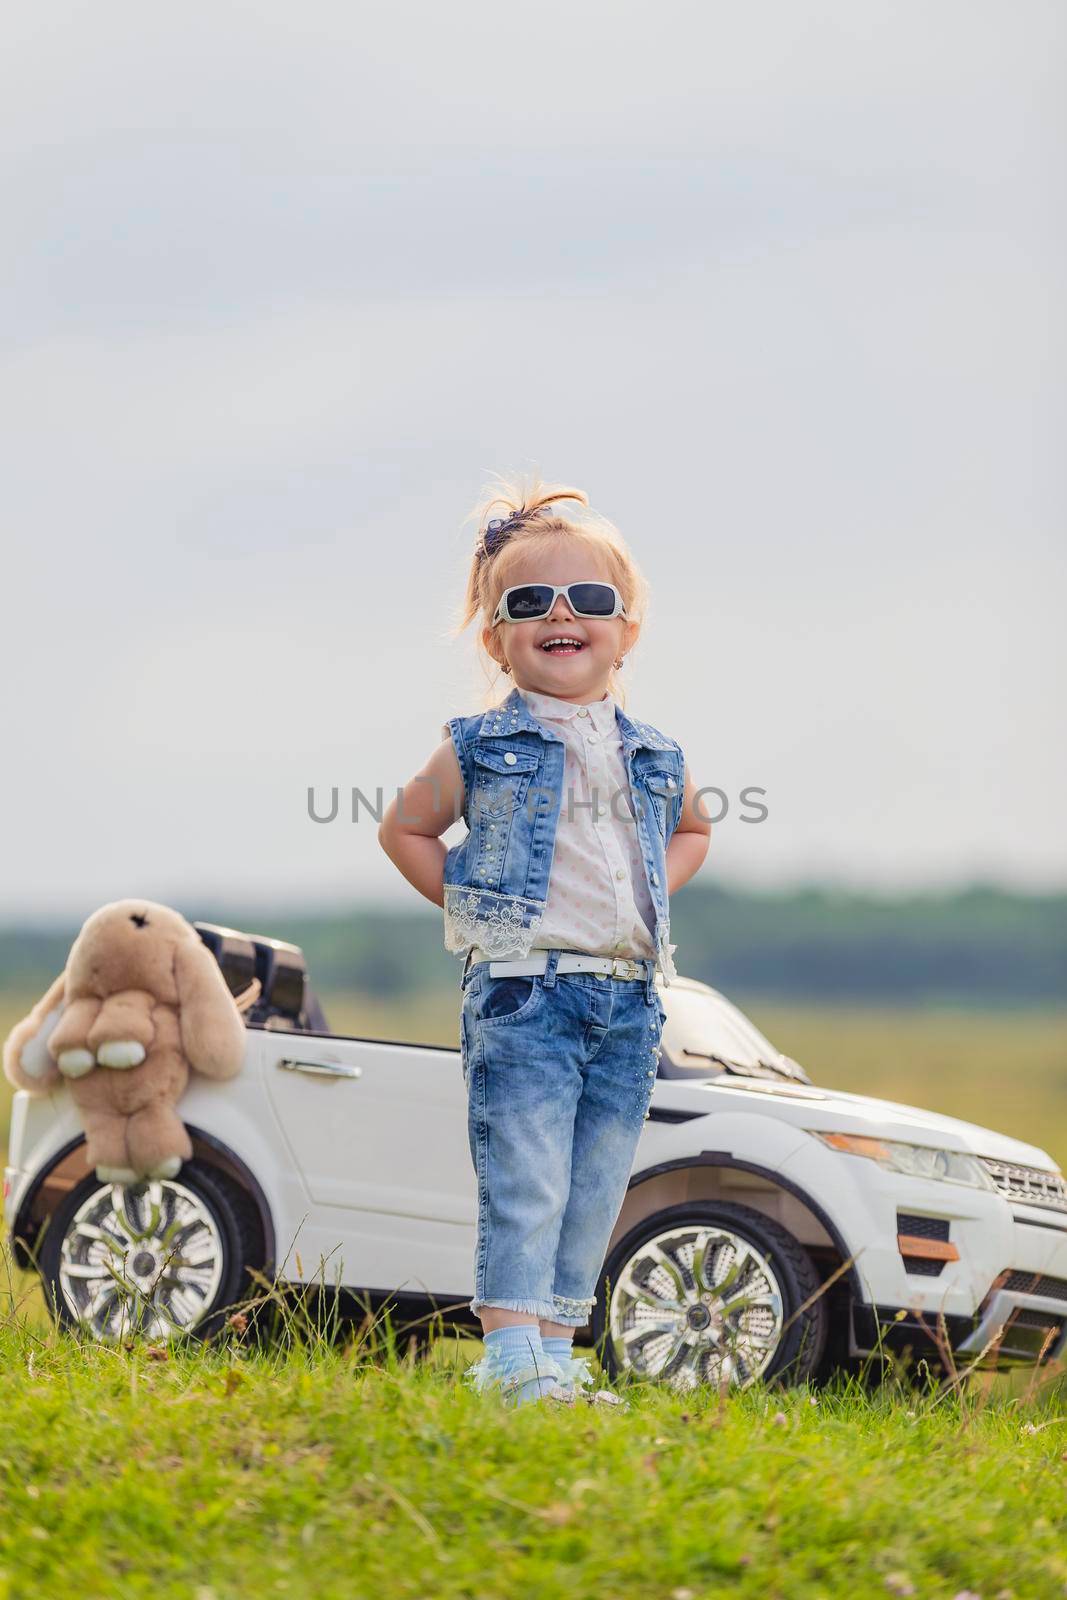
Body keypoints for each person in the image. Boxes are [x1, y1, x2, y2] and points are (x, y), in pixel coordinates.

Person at [378, 476, 711, 1406]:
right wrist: (477, 911)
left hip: (628, 997)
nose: (560, 615)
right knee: (525, 1175)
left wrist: (653, 902)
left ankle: (556, 1354)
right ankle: (509, 1357)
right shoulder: (481, 744)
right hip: (527, 993)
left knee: (594, 1182)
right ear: (496, 637)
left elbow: (692, 831)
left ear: (626, 629)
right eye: (529, 603)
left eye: (588, 600)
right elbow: (403, 830)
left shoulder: (654, 752)